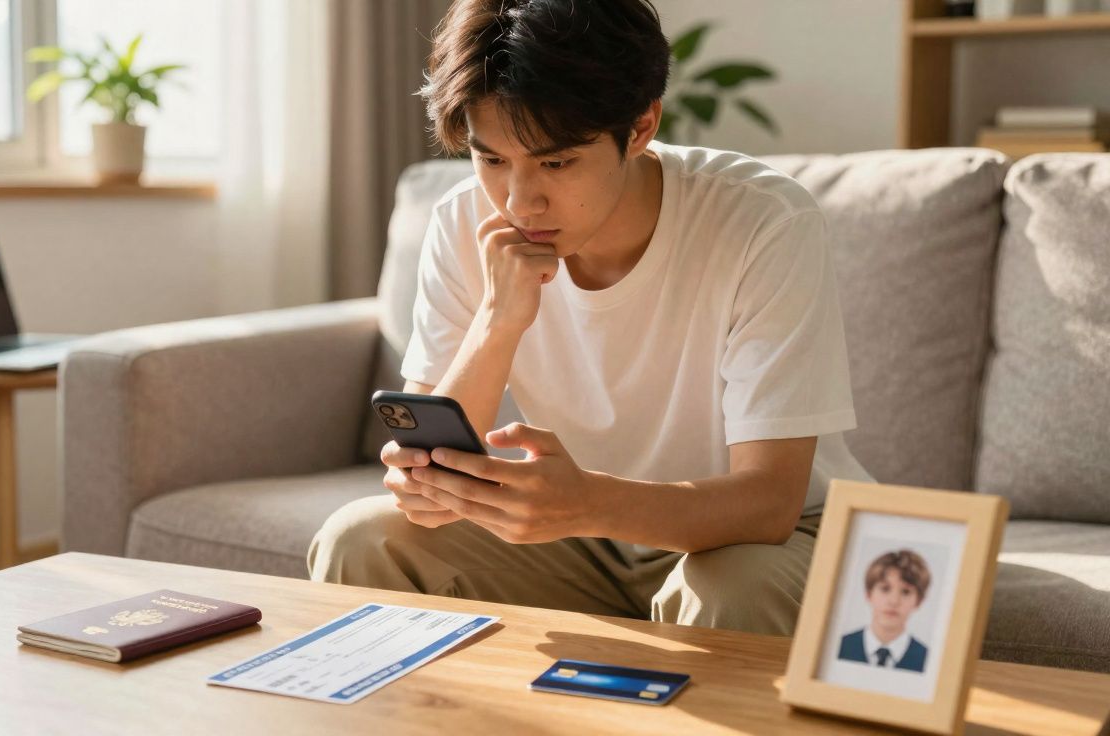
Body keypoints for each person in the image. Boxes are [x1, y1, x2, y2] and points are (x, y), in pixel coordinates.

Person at [308, 0, 873, 636]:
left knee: (729, 588)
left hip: (767, 538)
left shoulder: (762, 221)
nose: (521, 201)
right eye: (492, 160)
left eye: (555, 163)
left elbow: (769, 503)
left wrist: (585, 503)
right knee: (363, 540)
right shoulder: (464, 220)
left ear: (640, 126)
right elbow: (427, 479)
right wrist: (498, 319)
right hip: (586, 544)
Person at [838, 550, 932, 673]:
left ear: (919, 601)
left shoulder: (928, 660)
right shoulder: (840, 647)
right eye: (885, 589)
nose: (894, 601)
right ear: (869, 594)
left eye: (906, 592)